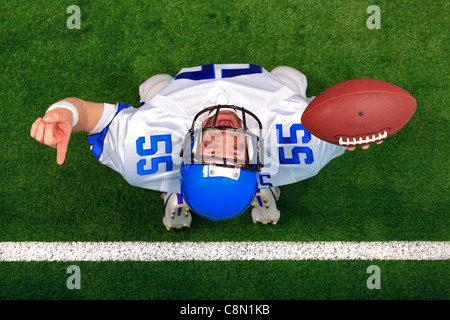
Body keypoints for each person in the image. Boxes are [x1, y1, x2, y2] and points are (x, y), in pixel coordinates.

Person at [30, 64, 378, 230]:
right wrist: (356, 127)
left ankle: (175, 193)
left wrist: (61, 113)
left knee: (154, 85)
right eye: (237, 148)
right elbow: (350, 119)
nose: (225, 130)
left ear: (185, 153)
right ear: (254, 156)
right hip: (266, 95)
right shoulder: (300, 138)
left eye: (212, 146)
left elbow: (88, 114)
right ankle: (266, 184)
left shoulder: (142, 146)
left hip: (179, 98)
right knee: (291, 76)